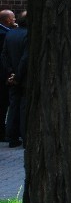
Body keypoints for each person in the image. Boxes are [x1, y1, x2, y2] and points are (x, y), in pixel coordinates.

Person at [1, 13, 27, 148]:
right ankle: (25, 136)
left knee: (13, 106)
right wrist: (17, 76)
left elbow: (4, 55)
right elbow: (25, 58)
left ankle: (11, 137)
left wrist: (11, 73)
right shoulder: (28, 35)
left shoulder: (10, 34)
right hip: (24, 77)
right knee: (23, 107)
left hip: (12, 77)